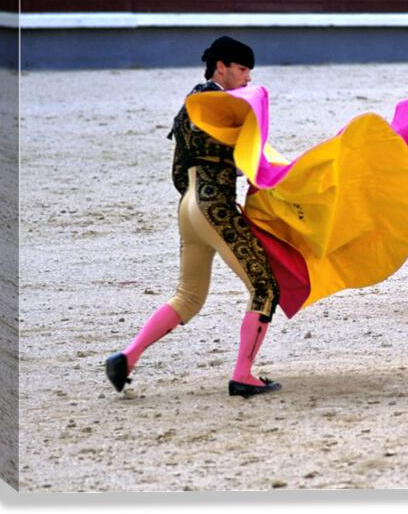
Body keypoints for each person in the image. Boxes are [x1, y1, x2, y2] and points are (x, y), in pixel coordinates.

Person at [105, 36, 282, 399]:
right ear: (222, 66)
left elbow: (176, 172)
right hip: (213, 206)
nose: (248, 78)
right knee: (265, 286)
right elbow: (246, 159)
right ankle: (243, 375)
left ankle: (128, 356)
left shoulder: (188, 108)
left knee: (188, 296)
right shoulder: (223, 106)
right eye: (242, 69)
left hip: (188, 206)